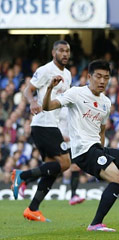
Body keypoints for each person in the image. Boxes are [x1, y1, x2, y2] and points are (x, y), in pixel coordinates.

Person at [42, 60, 119, 232]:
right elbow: (47, 107)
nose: (102, 81)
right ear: (89, 76)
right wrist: (49, 89)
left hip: (97, 148)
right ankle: (95, 224)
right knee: (118, 179)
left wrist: (103, 157)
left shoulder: (106, 102)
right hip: (83, 150)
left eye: (106, 77)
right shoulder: (76, 93)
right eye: (98, 76)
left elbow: (102, 130)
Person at [11, 40, 72, 222]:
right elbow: (27, 90)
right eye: (61, 50)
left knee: (52, 169)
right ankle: (23, 176)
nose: (65, 54)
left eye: (67, 51)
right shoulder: (45, 70)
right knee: (65, 163)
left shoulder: (67, 75)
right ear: (54, 53)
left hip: (54, 125)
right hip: (43, 123)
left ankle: (33, 209)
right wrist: (32, 101)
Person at [58, 107, 85, 205]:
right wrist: (59, 135)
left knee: (75, 167)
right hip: (60, 141)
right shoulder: (60, 107)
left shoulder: (77, 107)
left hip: (72, 143)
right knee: (55, 167)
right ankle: (26, 180)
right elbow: (53, 123)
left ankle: (73, 195)